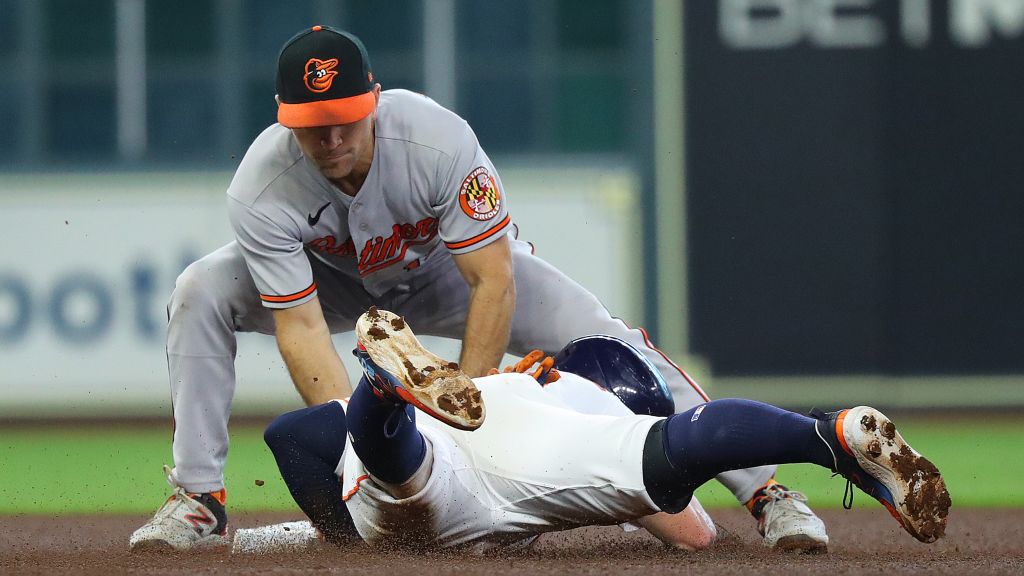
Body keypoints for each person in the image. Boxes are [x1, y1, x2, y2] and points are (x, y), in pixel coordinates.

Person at [129, 26, 827, 551]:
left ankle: (768, 493)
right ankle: (201, 499)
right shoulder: (263, 186)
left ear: (373, 100)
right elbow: (303, 328)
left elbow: (491, 279)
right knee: (199, 291)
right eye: (313, 125)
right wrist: (360, 454)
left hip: (446, 272)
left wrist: (470, 402)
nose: (332, 136)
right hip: (336, 281)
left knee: (614, 339)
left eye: (345, 114)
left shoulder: (435, 139)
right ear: (288, 122)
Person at [255, 308, 950, 553]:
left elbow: (288, 437)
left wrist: (337, 535)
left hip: (477, 408)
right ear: (641, 396)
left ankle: (382, 393)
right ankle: (822, 437)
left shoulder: (521, 379)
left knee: (396, 476)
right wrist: (633, 517)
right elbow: (696, 534)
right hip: (543, 461)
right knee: (678, 453)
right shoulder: (610, 414)